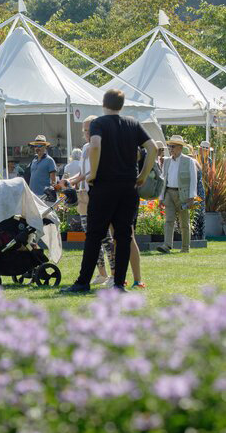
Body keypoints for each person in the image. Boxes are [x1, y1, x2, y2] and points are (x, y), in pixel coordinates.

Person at [61, 89, 157, 293]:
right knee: (123, 236)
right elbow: (153, 148)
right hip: (128, 187)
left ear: (104, 104)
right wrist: (143, 175)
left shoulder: (99, 123)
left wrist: (92, 173)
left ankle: (83, 282)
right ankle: (119, 284)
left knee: (94, 235)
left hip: (104, 186)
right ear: (122, 105)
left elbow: (95, 145)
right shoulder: (132, 123)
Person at [61, 117, 112, 286]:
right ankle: (102, 274)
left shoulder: (101, 147)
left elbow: (95, 173)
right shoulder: (84, 148)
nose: (86, 133)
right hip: (83, 195)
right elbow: (83, 173)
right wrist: (69, 182)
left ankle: (114, 274)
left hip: (97, 196)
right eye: (84, 130)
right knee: (90, 237)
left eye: (89, 129)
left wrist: (76, 180)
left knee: (104, 237)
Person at [157, 135, 197, 254]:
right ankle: (167, 245)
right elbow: (163, 179)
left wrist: (191, 197)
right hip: (169, 192)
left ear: (180, 147)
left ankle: (185, 248)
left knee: (184, 222)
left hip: (183, 195)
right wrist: (161, 197)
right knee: (169, 220)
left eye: (172, 147)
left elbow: (193, 180)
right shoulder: (167, 161)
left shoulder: (189, 161)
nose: (170, 149)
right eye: (169, 147)